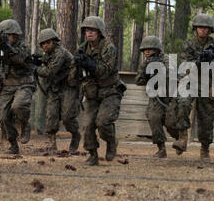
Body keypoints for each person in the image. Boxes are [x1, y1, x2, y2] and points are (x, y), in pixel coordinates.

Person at [175, 13, 214, 162]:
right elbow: (184, 64)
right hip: (190, 81)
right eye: (200, 27)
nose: (203, 30)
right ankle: (182, 138)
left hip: (208, 83)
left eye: (206, 28)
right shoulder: (188, 44)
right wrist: (196, 63)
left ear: (210, 30)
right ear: (195, 28)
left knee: (207, 118)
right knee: (183, 104)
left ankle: (205, 149)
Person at [74, 16, 126, 166]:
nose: (89, 33)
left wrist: (90, 64)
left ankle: (111, 141)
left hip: (111, 91)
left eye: (93, 30)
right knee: (88, 125)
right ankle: (92, 154)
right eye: (87, 30)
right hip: (92, 93)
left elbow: (105, 71)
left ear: (99, 32)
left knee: (103, 122)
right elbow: (76, 73)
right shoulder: (82, 48)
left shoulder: (108, 48)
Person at [0, 19, 35, 154]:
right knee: (3, 116)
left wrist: (8, 49)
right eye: (4, 35)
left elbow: (20, 59)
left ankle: (25, 124)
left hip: (24, 83)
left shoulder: (23, 47)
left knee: (18, 106)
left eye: (8, 35)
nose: (7, 38)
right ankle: (13, 144)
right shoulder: (1, 47)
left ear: (15, 35)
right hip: (7, 85)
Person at [33, 28, 81, 153]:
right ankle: (52, 144)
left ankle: (76, 135)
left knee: (67, 117)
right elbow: (47, 65)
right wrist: (39, 61)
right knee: (51, 115)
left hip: (68, 88)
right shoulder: (48, 54)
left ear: (54, 42)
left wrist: (35, 68)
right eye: (42, 44)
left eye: (47, 43)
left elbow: (50, 71)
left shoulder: (60, 52)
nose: (44, 46)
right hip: (55, 88)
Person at [135, 35, 180, 158]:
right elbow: (138, 81)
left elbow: (172, 76)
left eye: (150, 49)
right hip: (156, 97)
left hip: (171, 96)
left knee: (171, 122)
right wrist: (146, 73)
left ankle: (180, 139)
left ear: (157, 49)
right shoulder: (145, 63)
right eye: (145, 50)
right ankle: (161, 148)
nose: (147, 52)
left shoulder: (167, 60)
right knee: (153, 117)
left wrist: (159, 70)